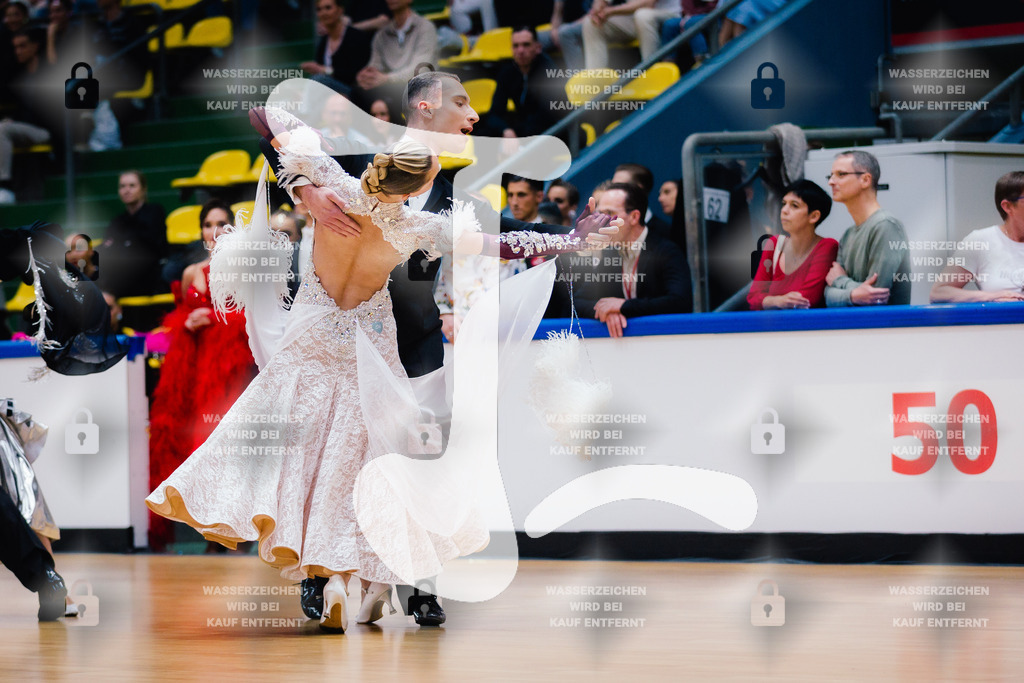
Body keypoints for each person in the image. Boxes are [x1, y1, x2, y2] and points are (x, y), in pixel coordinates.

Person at [146, 131, 615, 633]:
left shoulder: (334, 188)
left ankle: (326, 580)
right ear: (422, 181)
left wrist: (307, 190)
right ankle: (346, 575)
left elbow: (267, 119)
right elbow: (507, 244)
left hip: (312, 342)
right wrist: (570, 238)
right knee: (357, 468)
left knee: (295, 457)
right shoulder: (419, 226)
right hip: (368, 355)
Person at [255, 71, 620, 624]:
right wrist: (306, 190)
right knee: (331, 453)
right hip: (345, 337)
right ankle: (321, 573)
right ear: (424, 107)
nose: (475, 117)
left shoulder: (456, 200)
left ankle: (417, 580)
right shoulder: (358, 164)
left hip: (416, 343)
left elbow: (509, 237)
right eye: (462, 103)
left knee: (419, 462)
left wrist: (570, 237)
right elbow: (270, 126)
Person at [146, 199, 257, 553]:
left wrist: (213, 317)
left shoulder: (247, 269)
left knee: (224, 440)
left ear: (232, 228)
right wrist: (191, 320)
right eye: (208, 224)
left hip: (229, 366)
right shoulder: (191, 271)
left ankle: (228, 528)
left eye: (222, 223)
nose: (215, 231)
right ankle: (205, 527)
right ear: (201, 231)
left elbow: (256, 319)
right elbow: (179, 315)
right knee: (192, 439)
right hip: (193, 365)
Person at [575, 181, 692, 336]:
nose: (601, 223)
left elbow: (680, 302)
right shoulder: (610, 254)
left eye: (609, 214)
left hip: (665, 342)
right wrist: (607, 311)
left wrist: (624, 307)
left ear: (634, 217)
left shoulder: (666, 251)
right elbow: (577, 302)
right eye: (599, 214)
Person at [824, 150, 911, 306]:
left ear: (865, 180)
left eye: (841, 174)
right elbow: (827, 295)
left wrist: (840, 280)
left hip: (885, 328)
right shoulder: (847, 235)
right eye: (831, 175)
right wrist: (853, 294)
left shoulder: (885, 226)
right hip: (855, 328)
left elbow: (875, 295)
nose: (831, 181)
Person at [930, 171, 1024, 303]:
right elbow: (938, 293)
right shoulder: (981, 240)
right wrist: (992, 296)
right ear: (1007, 206)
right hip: (1001, 321)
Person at [748, 179, 838, 310]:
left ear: (814, 216)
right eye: (784, 204)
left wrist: (768, 301)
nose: (784, 210)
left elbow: (806, 300)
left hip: (807, 327)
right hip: (772, 328)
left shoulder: (827, 246)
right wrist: (778, 301)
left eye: (794, 206)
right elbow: (753, 298)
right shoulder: (774, 244)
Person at [485, 26, 567, 141]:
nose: (520, 51)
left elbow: (546, 117)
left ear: (538, 47)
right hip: (525, 130)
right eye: (516, 46)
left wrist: (515, 137)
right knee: (485, 133)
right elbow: (494, 114)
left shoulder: (549, 71)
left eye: (526, 45)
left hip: (555, 131)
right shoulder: (507, 73)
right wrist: (506, 130)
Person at [98, 170, 168, 296]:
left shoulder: (155, 211)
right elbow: (106, 247)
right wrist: (128, 242)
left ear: (143, 189)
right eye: (122, 186)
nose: (126, 190)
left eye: (132, 185)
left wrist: (121, 243)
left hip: (147, 275)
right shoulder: (117, 221)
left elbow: (150, 247)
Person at [0, 27, 50, 205]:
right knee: (4, 126)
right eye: (15, 47)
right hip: (26, 128)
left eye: (23, 46)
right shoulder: (19, 76)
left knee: (3, 130)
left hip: (46, 130)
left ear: (35, 46)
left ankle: (4, 186)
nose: (18, 51)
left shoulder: (47, 72)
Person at [354, 0, 437, 104]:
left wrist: (387, 78)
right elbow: (375, 65)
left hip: (419, 87)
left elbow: (421, 69)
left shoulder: (425, 27)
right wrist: (366, 76)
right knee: (358, 92)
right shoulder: (381, 35)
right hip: (390, 87)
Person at [300, 0, 372, 96]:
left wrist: (325, 70)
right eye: (319, 9)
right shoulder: (323, 42)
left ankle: (305, 111)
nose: (323, 13)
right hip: (327, 93)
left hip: (354, 92)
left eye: (328, 8)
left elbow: (357, 74)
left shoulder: (355, 37)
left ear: (340, 10)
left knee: (319, 80)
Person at [582, 0, 680, 69]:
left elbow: (647, 3)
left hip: (667, 15)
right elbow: (601, 2)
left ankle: (651, 69)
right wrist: (597, 11)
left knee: (643, 15)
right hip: (633, 17)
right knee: (590, 23)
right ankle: (594, 78)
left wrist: (610, 11)